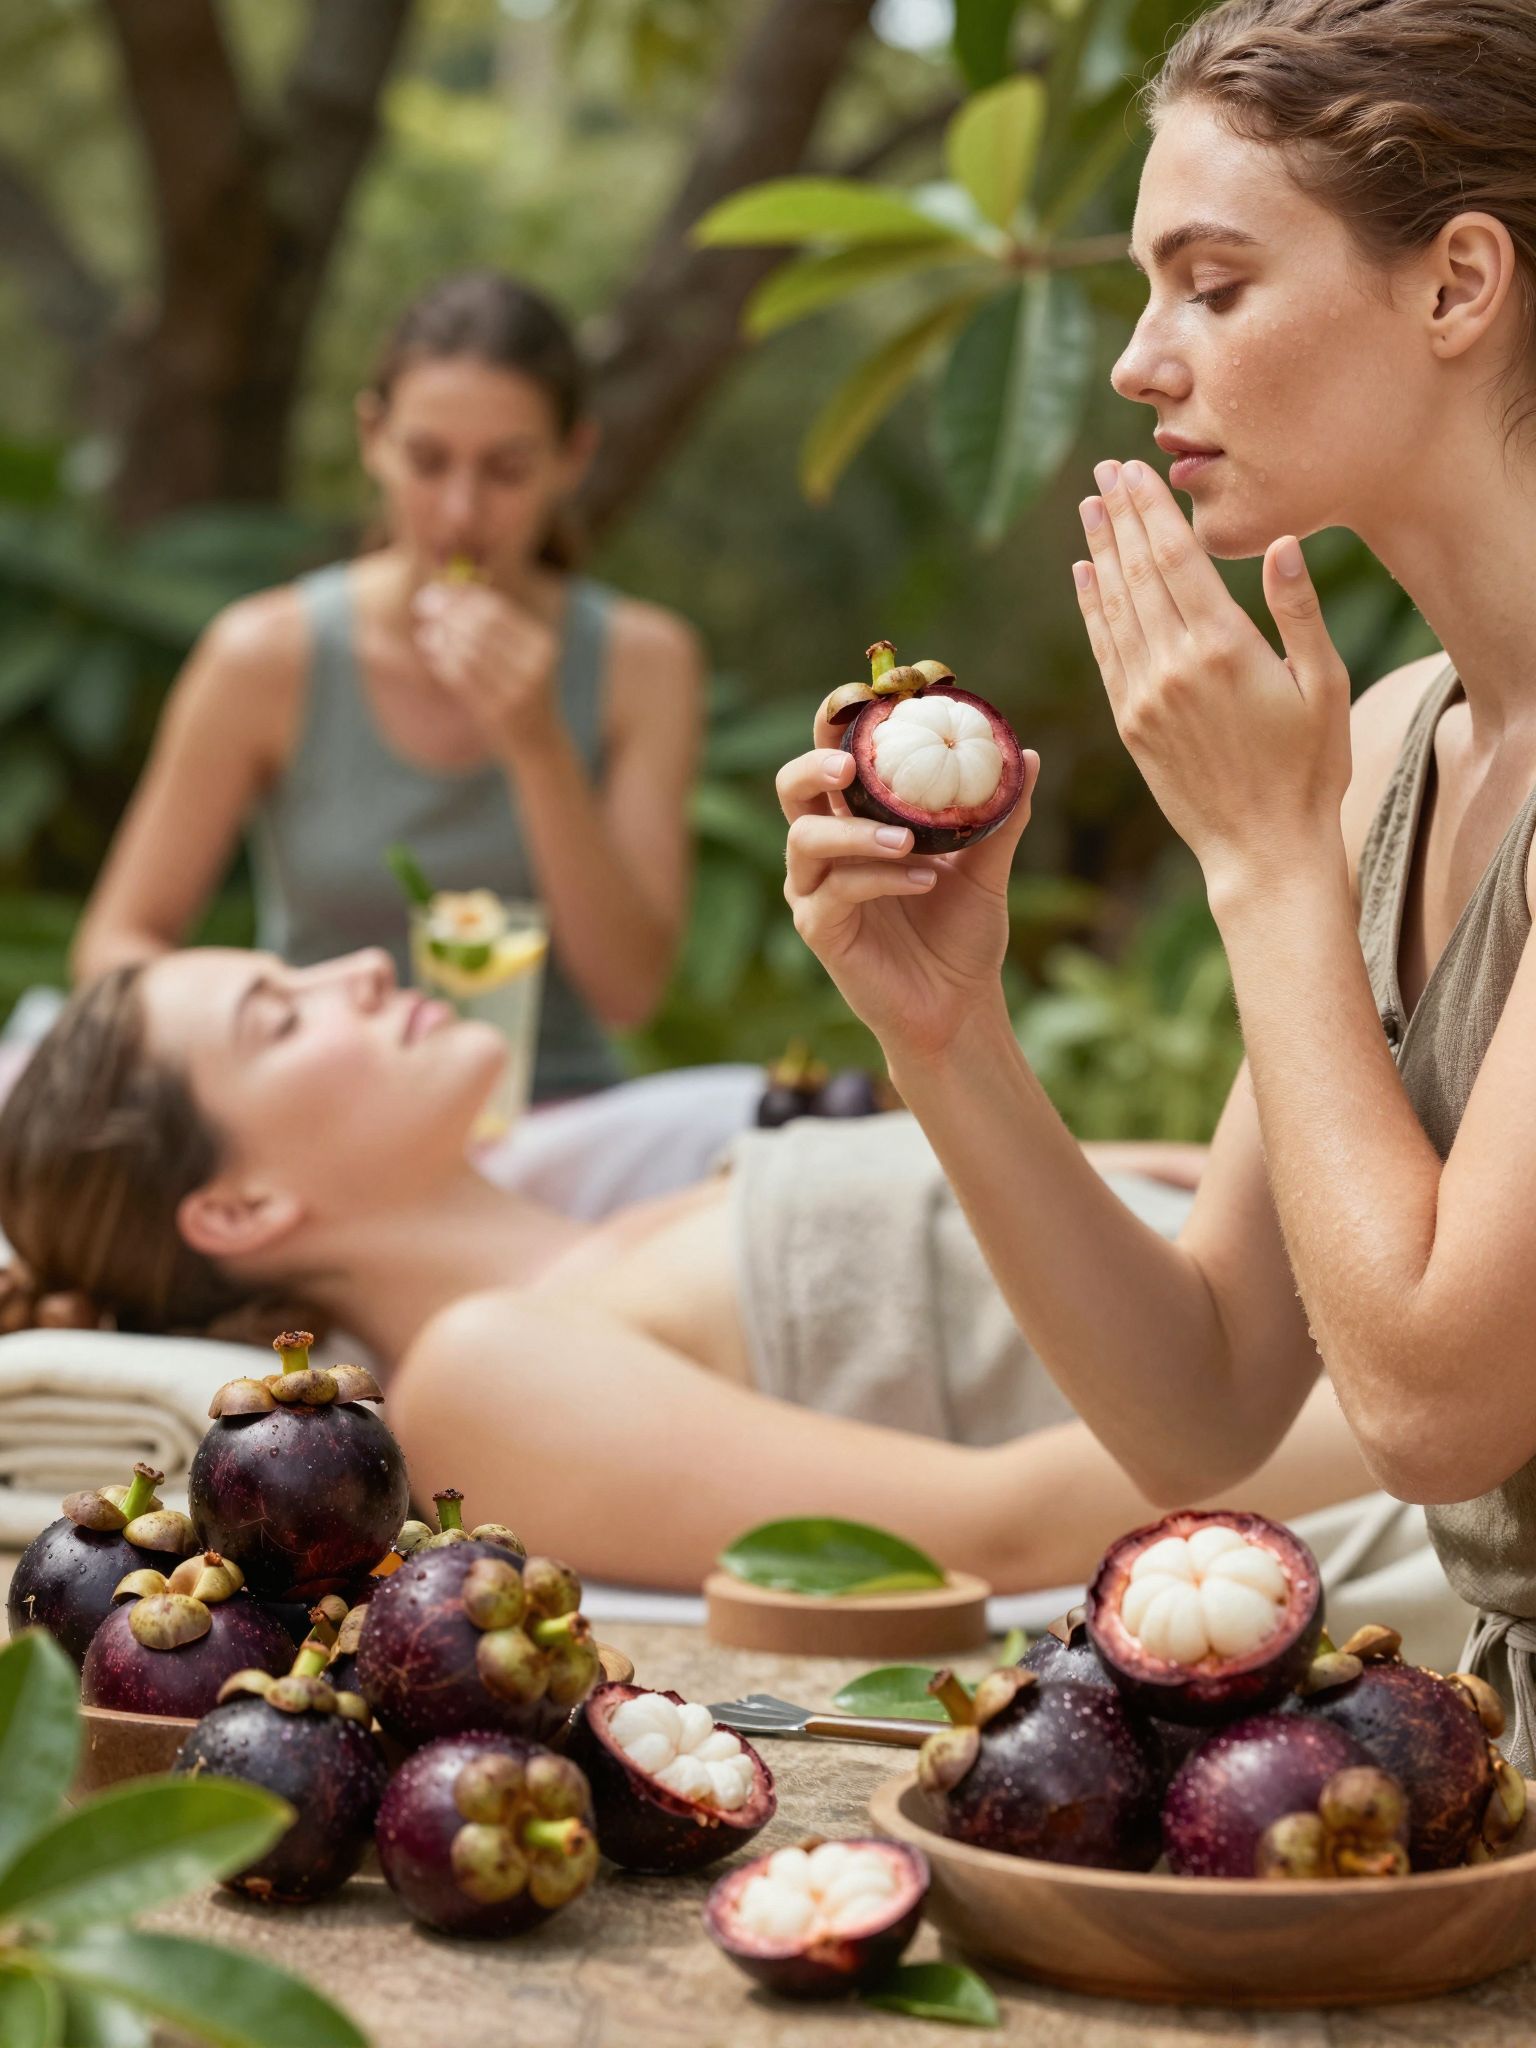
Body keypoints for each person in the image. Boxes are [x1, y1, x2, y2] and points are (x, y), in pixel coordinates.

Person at [778, 0, 1536, 1759]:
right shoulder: (1400, 743)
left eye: (1212, 283)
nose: (1135, 359)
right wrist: (944, 1033)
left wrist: (1262, 857)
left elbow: (1432, 1408)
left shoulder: (1310, 795)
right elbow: (1202, 1403)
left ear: (1456, 284)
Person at [0, 947, 1377, 1596]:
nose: (358, 965)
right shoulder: (486, 1380)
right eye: (277, 1014)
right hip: (1395, 1424)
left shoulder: (644, 1198)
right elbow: (992, 1534)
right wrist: (1442, 1405)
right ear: (241, 1205)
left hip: (1385, 1285)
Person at [72, 273, 703, 1102]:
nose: (458, 511)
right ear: (373, 437)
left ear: (572, 458)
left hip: (549, 1112)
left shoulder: (644, 663)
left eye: (506, 470)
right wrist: (252, 1034)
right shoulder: (265, 656)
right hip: (316, 1110)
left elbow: (628, 992)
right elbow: (117, 942)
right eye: (426, 460)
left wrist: (538, 745)